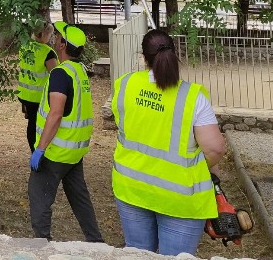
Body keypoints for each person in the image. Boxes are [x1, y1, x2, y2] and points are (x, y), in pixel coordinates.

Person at [111, 28, 227, 256]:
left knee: (137, 255)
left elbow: (124, 124)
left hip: (132, 188)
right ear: (175, 55)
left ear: (143, 57)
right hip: (180, 198)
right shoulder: (193, 97)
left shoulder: (125, 85)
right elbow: (214, 148)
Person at [28, 20, 103, 242]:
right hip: (74, 153)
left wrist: (40, 149)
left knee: (39, 198)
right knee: (80, 199)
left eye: (59, 36)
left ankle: (43, 245)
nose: (56, 38)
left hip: (55, 153)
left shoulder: (60, 74)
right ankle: (96, 242)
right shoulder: (79, 71)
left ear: (62, 45)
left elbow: (56, 113)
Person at [17, 20, 58, 151]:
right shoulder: (47, 52)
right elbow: (55, 74)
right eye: (50, 35)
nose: (51, 38)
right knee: (38, 125)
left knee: (31, 124)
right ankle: (38, 150)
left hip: (24, 94)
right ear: (44, 35)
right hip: (39, 97)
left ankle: (34, 149)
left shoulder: (24, 47)